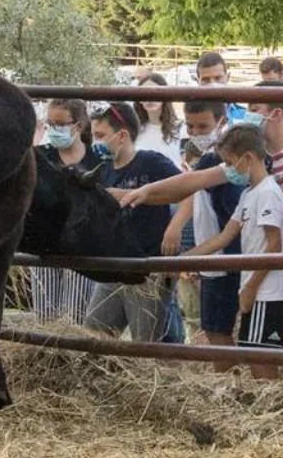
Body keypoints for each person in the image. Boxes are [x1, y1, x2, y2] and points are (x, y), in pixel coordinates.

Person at [120, 87, 283, 358]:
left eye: (255, 109)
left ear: (276, 114)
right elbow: (194, 181)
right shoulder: (254, 163)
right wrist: (147, 191)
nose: (249, 115)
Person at [182, 124, 283, 379]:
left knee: (260, 359)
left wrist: (251, 287)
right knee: (252, 351)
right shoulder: (249, 194)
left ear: (248, 158)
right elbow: (223, 237)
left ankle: (268, 413)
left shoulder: (269, 193)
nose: (229, 169)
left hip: (266, 291)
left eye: (230, 162)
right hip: (252, 286)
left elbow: (274, 246)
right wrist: (184, 259)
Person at [83, 101, 181, 341]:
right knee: (93, 332)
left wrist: (174, 227)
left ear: (122, 135)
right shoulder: (102, 170)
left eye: (100, 135)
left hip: (148, 268)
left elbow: (187, 189)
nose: (96, 142)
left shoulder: (151, 162)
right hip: (114, 266)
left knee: (146, 341)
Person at [162, 99, 244, 349]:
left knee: (218, 331)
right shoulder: (203, 159)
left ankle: (230, 381)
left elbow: (231, 221)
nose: (196, 133)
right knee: (213, 329)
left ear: (222, 122)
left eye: (203, 127)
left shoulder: (223, 164)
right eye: (191, 127)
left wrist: (191, 253)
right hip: (212, 253)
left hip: (225, 255)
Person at [29, 98, 96, 325]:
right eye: (50, 123)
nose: (54, 129)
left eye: (60, 123)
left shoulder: (96, 158)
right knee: (45, 317)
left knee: (76, 318)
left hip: (82, 247)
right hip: (46, 244)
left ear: (77, 126)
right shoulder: (40, 156)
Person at [133, 70, 183, 165]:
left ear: (164, 96)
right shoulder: (134, 130)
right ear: (139, 100)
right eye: (144, 94)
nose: (149, 98)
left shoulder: (180, 128)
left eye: (155, 92)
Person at [195, 50, 247, 122]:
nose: (213, 84)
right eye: (206, 80)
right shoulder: (192, 119)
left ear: (227, 77)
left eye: (217, 78)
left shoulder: (245, 116)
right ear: (198, 82)